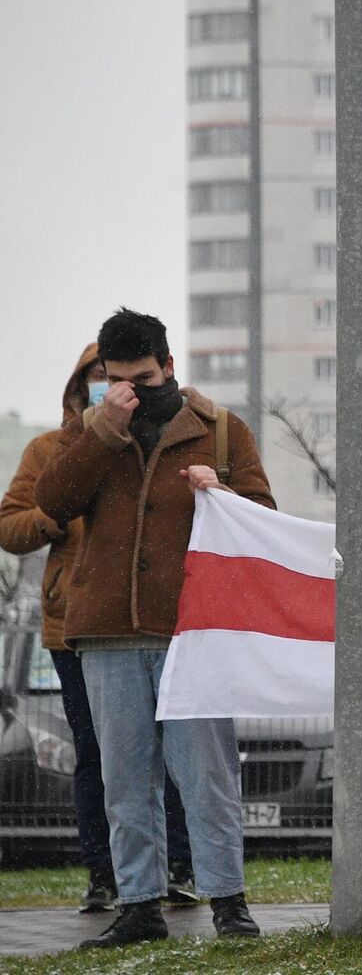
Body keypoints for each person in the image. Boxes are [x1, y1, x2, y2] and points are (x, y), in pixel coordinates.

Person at [35, 309, 271, 949]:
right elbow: (50, 503)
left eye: (142, 378)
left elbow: (264, 522)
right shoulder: (89, 432)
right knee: (125, 781)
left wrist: (218, 488)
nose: (128, 393)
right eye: (114, 381)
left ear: (169, 367)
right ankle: (138, 906)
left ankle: (229, 902)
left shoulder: (221, 432)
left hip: (193, 634)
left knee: (206, 776)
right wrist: (101, 433)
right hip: (107, 633)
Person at [0, 344, 196, 915]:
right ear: (82, 385)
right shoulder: (49, 449)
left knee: (172, 751)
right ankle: (104, 874)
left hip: (159, 622)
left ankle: (178, 867)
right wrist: (54, 514)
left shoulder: (163, 440)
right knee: (98, 754)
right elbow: (11, 527)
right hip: (75, 627)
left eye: (122, 378)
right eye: (98, 379)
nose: (112, 389)